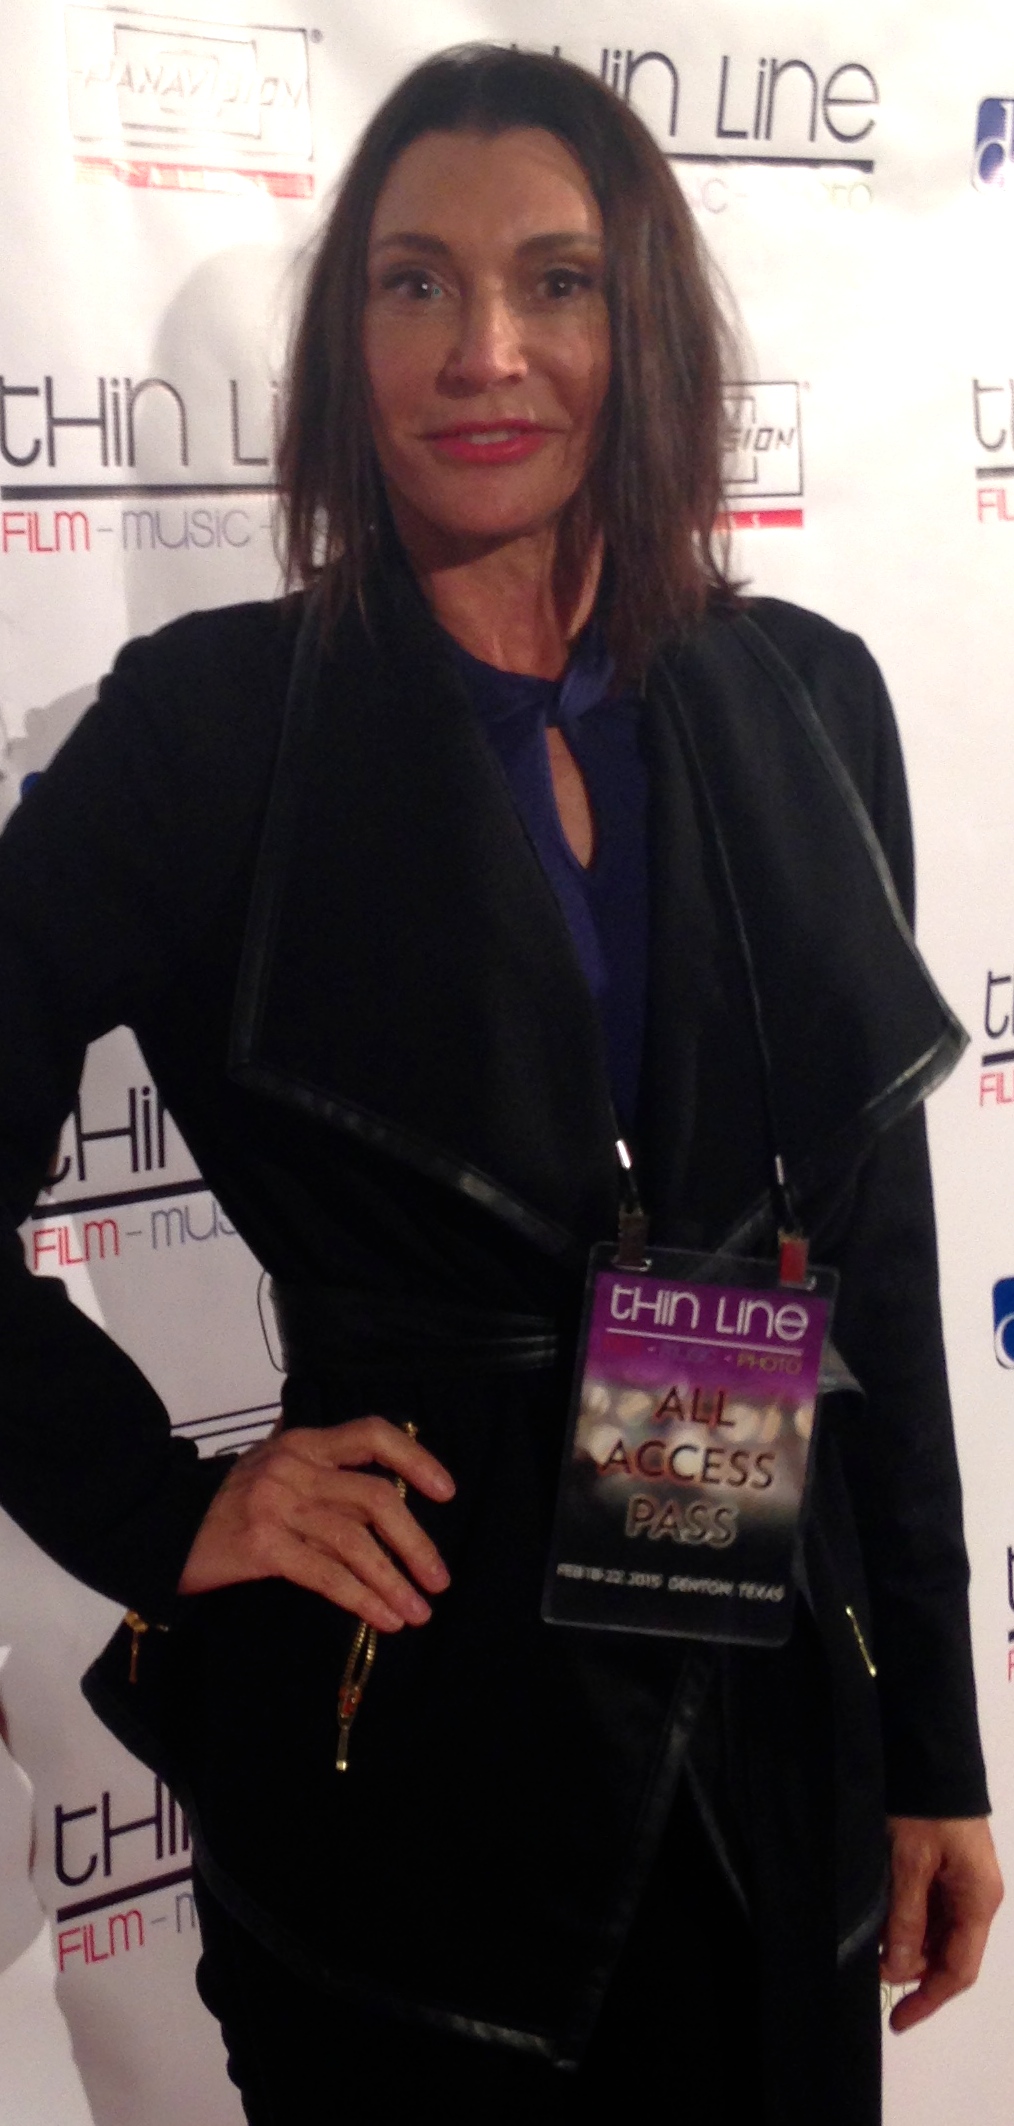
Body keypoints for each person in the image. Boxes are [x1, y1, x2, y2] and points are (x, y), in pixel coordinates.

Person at [0, 43, 1001, 2126]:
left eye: (556, 281)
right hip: (409, 1801)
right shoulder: (208, 736)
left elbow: (876, 1251)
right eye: (413, 283)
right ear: (344, 340)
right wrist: (162, 1508)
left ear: (647, 328)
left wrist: (932, 1745)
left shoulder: (803, 698)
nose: (485, 351)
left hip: (765, 1765)